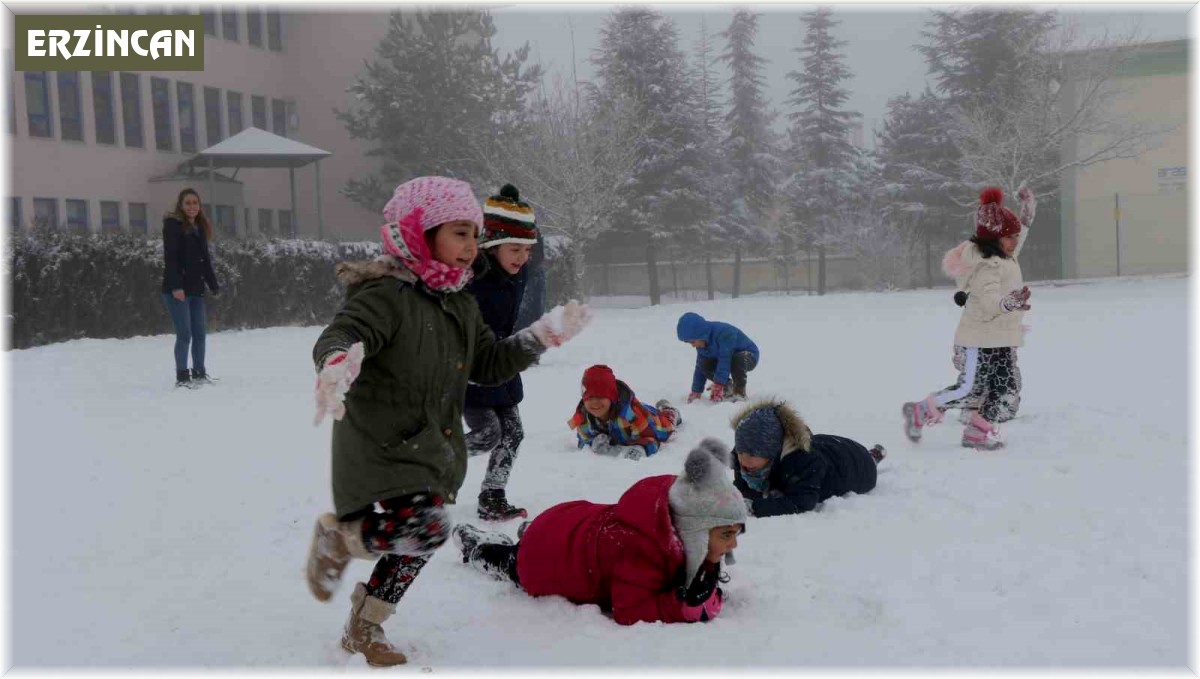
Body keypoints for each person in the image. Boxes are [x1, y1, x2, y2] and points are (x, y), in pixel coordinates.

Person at [303, 176, 590, 667]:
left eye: (475, 235)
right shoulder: (385, 294)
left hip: (430, 443)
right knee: (428, 528)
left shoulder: (458, 300)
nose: (471, 246)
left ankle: (364, 625)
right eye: (460, 232)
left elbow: (488, 364)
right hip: (383, 442)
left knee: (419, 539)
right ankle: (339, 539)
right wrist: (336, 363)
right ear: (420, 230)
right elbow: (344, 332)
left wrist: (540, 336)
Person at [451, 438, 746, 626]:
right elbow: (629, 610)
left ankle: (530, 533)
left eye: (735, 533)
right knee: (513, 561)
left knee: (547, 538)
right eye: (725, 535)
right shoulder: (641, 548)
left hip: (568, 521)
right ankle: (478, 548)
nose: (732, 543)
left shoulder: (677, 508)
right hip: (545, 560)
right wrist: (677, 607)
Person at [903, 186, 1036, 450]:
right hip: (980, 339)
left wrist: (1027, 211)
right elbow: (988, 303)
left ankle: (977, 431)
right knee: (970, 389)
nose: (1015, 241)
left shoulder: (1007, 256)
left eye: (1015, 237)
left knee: (1005, 388)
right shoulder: (987, 265)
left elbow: (1019, 233)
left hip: (1001, 339)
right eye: (1010, 237)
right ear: (994, 239)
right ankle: (919, 410)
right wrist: (1009, 302)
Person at [464, 184, 539, 522]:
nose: (521, 257)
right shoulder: (471, 277)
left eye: (527, 249)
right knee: (486, 434)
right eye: (514, 249)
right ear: (492, 245)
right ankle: (428, 471)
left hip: (502, 364)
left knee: (513, 431)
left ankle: (492, 495)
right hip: (471, 370)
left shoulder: (516, 273)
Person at [731, 399, 884, 518]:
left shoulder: (803, 463)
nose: (745, 461)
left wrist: (754, 507)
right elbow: (742, 487)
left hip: (858, 465)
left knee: (867, 461)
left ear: (773, 452)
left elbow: (802, 502)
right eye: (741, 452)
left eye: (753, 455)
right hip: (827, 444)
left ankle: (873, 456)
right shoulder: (742, 456)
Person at [161, 188, 220, 389]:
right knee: (184, 334)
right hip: (177, 290)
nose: (192, 206)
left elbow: (204, 260)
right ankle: (182, 376)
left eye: (195, 203)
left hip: (196, 289)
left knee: (200, 333)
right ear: (181, 205)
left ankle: (199, 372)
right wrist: (176, 286)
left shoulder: (200, 227)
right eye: (188, 203)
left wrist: (213, 284)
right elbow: (171, 258)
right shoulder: (173, 226)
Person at [568, 364, 681, 460]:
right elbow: (583, 441)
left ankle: (668, 410)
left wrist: (640, 448)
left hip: (650, 421)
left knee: (667, 425)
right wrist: (593, 443)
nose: (594, 403)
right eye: (589, 398)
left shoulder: (631, 415)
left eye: (600, 397)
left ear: (611, 396)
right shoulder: (583, 418)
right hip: (636, 415)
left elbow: (651, 439)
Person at [675, 312, 759, 402]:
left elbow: (725, 358)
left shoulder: (724, 333)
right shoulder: (702, 343)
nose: (692, 346)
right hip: (727, 358)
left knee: (736, 360)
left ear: (700, 334)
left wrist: (719, 383)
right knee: (705, 365)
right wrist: (696, 391)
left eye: (692, 342)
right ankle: (727, 386)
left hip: (748, 355)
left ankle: (739, 393)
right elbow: (699, 368)